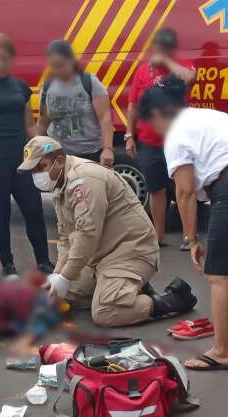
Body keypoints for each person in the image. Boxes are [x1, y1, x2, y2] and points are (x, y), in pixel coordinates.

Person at [18, 136, 198, 327]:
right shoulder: (60, 182)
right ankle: (124, 289)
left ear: (59, 161)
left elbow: (87, 234)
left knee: (106, 312)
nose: (37, 175)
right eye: (33, 171)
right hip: (101, 255)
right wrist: (58, 276)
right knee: (66, 294)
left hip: (131, 252)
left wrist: (65, 276)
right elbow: (66, 237)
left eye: (41, 167)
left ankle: (171, 300)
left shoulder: (84, 180)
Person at [139, 75, 228, 371]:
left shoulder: (176, 134)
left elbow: (185, 192)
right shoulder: (210, 115)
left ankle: (222, 352)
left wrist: (191, 240)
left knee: (220, 277)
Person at [0, 33, 52, 278]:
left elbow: (29, 126)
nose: (1, 63)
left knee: (33, 209)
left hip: (21, 158)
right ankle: (7, 265)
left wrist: (43, 149)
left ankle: (44, 261)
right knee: (0, 213)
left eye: (5, 59)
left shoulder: (20, 87)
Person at [126, 28, 195, 248]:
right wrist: (129, 134)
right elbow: (133, 104)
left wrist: (167, 61)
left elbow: (189, 78)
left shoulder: (182, 63)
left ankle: (189, 238)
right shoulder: (142, 71)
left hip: (178, 140)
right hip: (149, 141)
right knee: (156, 190)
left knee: (184, 188)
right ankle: (158, 237)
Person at [37, 39, 114, 166]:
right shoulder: (47, 87)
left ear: (71, 61)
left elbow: (104, 117)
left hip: (90, 155)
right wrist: (40, 150)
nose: (57, 70)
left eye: (61, 65)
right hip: (59, 156)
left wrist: (108, 149)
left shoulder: (89, 81)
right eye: (53, 66)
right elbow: (42, 124)